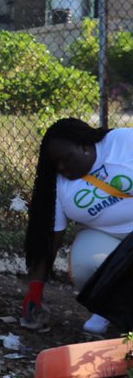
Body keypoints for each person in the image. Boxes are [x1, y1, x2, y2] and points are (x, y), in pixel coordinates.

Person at [22, 118, 133, 337]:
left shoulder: (123, 141)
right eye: (56, 165)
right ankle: (107, 310)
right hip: (102, 233)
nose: (62, 168)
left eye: (66, 159)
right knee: (85, 266)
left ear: (84, 146)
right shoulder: (58, 183)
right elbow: (50, 239)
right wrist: (35, 290)